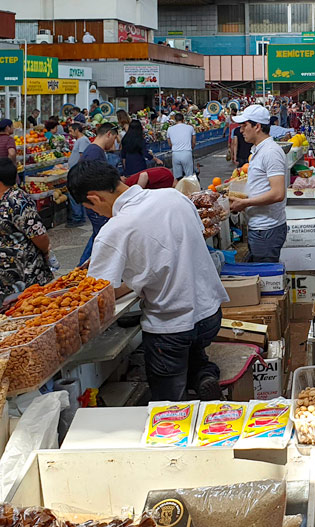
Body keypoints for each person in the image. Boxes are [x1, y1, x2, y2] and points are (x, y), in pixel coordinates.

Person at [67, 149, 227, 402]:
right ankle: (204, 376)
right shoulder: (174, 198)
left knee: (168, 395)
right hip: (210, 314)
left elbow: (98, 294)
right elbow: (179, 251)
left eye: (91, 209)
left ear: (94, 198)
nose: (96, 214)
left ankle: (175, 416)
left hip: (170, 326)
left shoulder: (114, 231)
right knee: (196, 351)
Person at [0, 158, 53, 310]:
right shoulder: (0, 200)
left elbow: (39, 235)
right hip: (5, 278)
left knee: (24, 317)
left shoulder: (18, 202)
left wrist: (46, 252)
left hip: (22, 277)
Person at [230, 104, 289, 263]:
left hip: (267, 229)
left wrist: (245, 203)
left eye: (244, 126)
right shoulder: (258, 150)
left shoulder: (271, 152)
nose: (241, 130)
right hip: (259, 227)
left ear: (257, 126)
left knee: (267, 278)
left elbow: (277, 194)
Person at [78, 123, 120, 264]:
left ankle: (81, 269)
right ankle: (82, 269)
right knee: (101, 236)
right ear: (108, 134)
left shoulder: (94, 150)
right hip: (96, 202)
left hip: (95, 201)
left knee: (99, 236)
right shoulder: (94, 152)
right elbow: (93, 179)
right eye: (114, 138)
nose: (114, 142)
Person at [65, 122, 91, 226]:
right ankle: (79, 216)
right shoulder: (80, 140)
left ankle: (78, 217)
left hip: (77, 172)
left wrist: (78, 171)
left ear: (77, 130)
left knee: (74, 194)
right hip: (75, 171)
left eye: (71, 131)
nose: (70, 133)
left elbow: (82, 156)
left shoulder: (83, 141)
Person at [167, 112, 196, 179]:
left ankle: (178, 189)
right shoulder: (190, 127)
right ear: (183, 120)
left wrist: (174, 147)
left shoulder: (170, 129)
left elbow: (169, 143)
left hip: (175, 154)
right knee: (189, 176)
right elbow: (193, 141)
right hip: (186, 152)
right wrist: (192, 147)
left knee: (177, 178)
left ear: (175, 120)